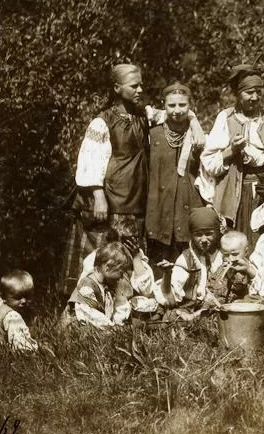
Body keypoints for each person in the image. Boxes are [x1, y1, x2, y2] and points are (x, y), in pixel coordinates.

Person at [66, 64, 157, 292]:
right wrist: (99, 196)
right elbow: (90, 159)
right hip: (112, 197)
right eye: (134, 86)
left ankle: (128, 302)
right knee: (106, 253)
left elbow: (178, 110)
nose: (140, 90)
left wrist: (193, 122)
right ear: (117, 88)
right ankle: (90, 300)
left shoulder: (142, 116)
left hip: (135, 196)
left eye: (141, 85)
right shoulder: (103, 121)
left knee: (132, 252)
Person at [201, 65, 264, 250]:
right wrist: (232, 150)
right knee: (235, 239)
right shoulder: (226, 118)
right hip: (235, 192)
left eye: (258, 92)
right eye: (249, 92)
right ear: (238, 94)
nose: (255, 97)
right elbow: (209, 162)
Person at [146, 81, 206, 264]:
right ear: (164, 105)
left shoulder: (198, 136)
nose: (177, 110)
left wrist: (194, 122)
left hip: (187, 200)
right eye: (171, 105)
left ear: (190, 106)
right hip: (159, 201)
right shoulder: (153, 133)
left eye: (182, 105)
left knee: (186, 258)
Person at [164, 206, 225, 315]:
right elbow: (173, 289)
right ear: (191, 235)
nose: (204, 240)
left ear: (217, 231)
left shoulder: (226, 253)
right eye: (198, 235)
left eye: (209, 234)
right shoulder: (187, 258)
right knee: (172, 315)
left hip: (222, 304)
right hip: (192, 308)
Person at [64, 241, 133, 327]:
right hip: (78, 325)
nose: (122, 276)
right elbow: (92, 315)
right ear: (107, 268)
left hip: (95, 325)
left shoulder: (106, 283)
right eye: (121, 272)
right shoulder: (87, 285)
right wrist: (113, 327)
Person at [211, 231, 256, 304]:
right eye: (226, 255)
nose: (231, 258)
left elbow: (255, 282)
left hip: (242, 305)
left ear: (246, 251)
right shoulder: (223, 267)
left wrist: (248, 270)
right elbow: (213, 283)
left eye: (235, 254)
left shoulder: (248, 267)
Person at [0, 271, 38, 352]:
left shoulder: (1, 307)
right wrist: (31, 350)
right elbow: (19, 341)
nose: (24, 301)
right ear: (3, 296)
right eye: (18, 297)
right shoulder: (13, 316)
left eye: (27, 296)